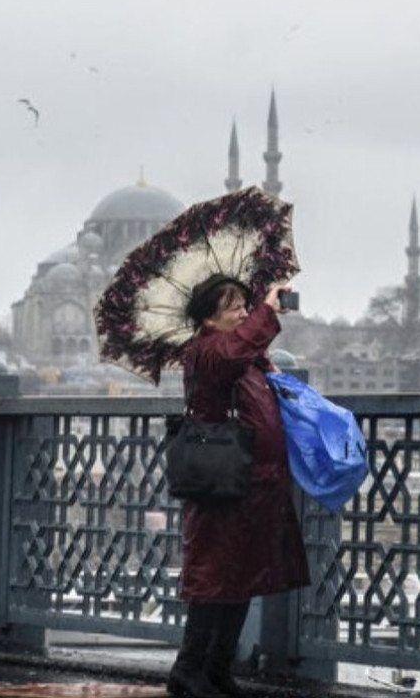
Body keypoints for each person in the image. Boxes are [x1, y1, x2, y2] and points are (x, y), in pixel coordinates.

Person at [167, 275, 310, 698]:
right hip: (223, 484)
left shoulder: (243, 355)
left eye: (247, 306)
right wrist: (266, 313)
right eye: (235, 307)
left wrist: (268, 365)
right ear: (210, 316)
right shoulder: (208, 350)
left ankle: (217, 668)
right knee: (214, 576)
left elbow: (246, 362)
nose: (244, 313)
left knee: (240, 576)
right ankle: (188, 670)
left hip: (253, 485)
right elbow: (230, 358)